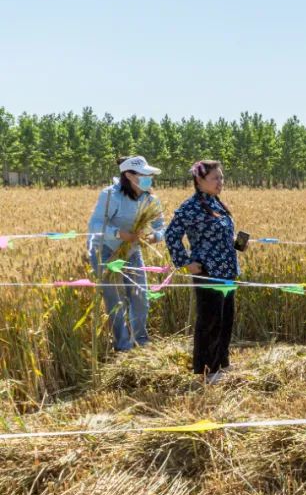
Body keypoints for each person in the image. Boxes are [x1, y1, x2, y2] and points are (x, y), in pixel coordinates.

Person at [165, 160, 240, 384]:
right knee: (210, 321)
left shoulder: (216, 203)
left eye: (222, 177)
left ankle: (221, 363)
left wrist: (236, 242)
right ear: (199, 180)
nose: (221, 182)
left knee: (226, 318)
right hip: (208, 271)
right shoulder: (190, 207)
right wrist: (185, 262)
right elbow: (171, 235)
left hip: (226, 270)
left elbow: (218, 234)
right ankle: (208, 369)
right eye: (215, 178)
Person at [85, 155, 165, 352]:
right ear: (129, 175)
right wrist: (119, 234)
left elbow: (161, 227)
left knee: (139, 295)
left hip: (132, 251)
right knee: (114, 299)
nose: (149, 179)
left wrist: (154, 237)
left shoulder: (150, 199)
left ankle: (140, 342)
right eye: (144, 175)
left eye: (149, 175)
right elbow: (95, 225)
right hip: (104, 250)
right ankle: (122, 345)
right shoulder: (111, 195)